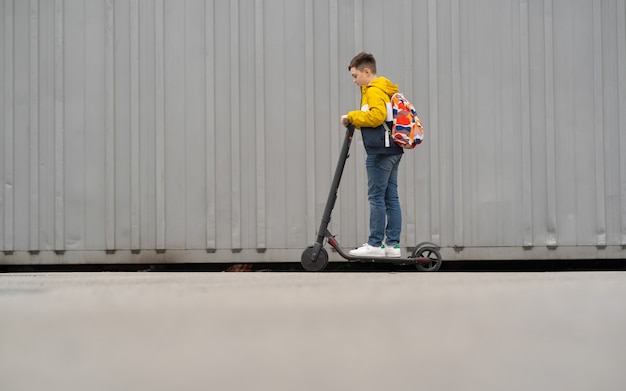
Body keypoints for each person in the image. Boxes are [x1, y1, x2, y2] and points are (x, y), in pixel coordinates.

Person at [340, 52, 403, 258]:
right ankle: (392, 245)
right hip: (392, 149)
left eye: (355, 75)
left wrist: (351, 116)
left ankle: (375, 244)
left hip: (380, 152)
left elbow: (376, 117)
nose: (354, 80)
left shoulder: (374, 91)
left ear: (366, 72)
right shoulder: (384, 88)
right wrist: (358, 120)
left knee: (376, 197)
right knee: (390, 198)